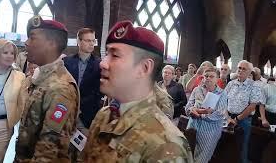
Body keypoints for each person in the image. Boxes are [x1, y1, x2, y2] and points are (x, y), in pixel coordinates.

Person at [83, 20, 193, 162]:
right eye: (107, 53)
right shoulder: (104, 116)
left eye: (115, 55)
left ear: (144, 68)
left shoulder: (166, 145)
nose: (103, 63)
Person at [15, 15, 80, 162]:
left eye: (32, 38)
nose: (26, 43)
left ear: (51, 43)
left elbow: (49, 151)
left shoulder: (60, 87)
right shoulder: (43, 77)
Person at [185, 67, 228, 163]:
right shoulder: (197, 90)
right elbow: (188, 106)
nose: (208, 78)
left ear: (217, 79)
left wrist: (199, 114)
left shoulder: (222, 93)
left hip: (209, 131)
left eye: (211, 76)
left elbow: (219, 113)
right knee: (187, 157)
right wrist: (191, 110)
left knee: (201, 160)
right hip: (192, 127)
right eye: (206, 76)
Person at [64, 28, 102, 133]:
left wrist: (80, 104)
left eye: (93, 41)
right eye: (88, 40)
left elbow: (99, 91)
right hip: (66, 110)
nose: (91, 44)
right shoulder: (67, 62)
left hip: (87, 115)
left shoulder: (99, 65)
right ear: (79, 41)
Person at [225, 60, 262, 163]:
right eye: (239, 68)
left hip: (243, 120)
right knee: (226, 147)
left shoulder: (254, 86)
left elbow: (252, 106)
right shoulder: (231, 84)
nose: (240, 70)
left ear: (250, 72)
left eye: (244, 69)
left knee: (242, 148)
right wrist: (228, 118)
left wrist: (237, 119)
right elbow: (223, 101)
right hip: (228, 118)